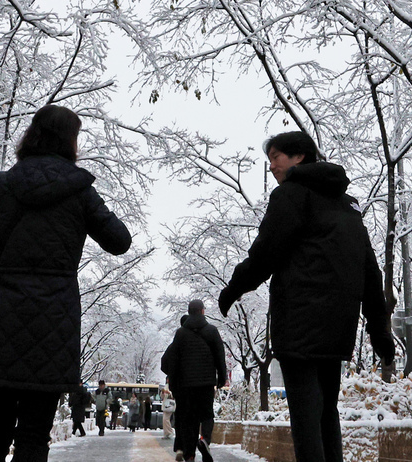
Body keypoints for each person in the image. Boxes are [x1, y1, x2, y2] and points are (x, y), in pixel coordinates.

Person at [0, 106, 131, 461]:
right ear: (69, 140)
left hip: (1, 319)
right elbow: (120, 240)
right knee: (34, 438)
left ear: (32, 135)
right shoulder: (80, 189)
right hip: (53, 323)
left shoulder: (4, 184)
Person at [218, 131, 396, 462]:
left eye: (275, 157)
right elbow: (369, 269)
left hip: (299, 319)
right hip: (338, 324)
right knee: (327, 410)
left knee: (304, 413)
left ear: (299, 157)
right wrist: (380, 330)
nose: (271, 166)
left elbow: (266, 253)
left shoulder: (291, 194)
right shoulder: (348, 206)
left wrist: (233, 288)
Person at [163, 300, 225, 462]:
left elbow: (173, 361)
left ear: (189, 312)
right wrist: (222, 377)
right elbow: (220, 356)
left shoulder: (180, 334)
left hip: (186, 386)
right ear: (203, 311)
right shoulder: (212, 331)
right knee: (206, 415)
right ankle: (205, 440)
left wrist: (174, 385)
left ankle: (189, 454)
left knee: (189, 419)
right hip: (205, 383)